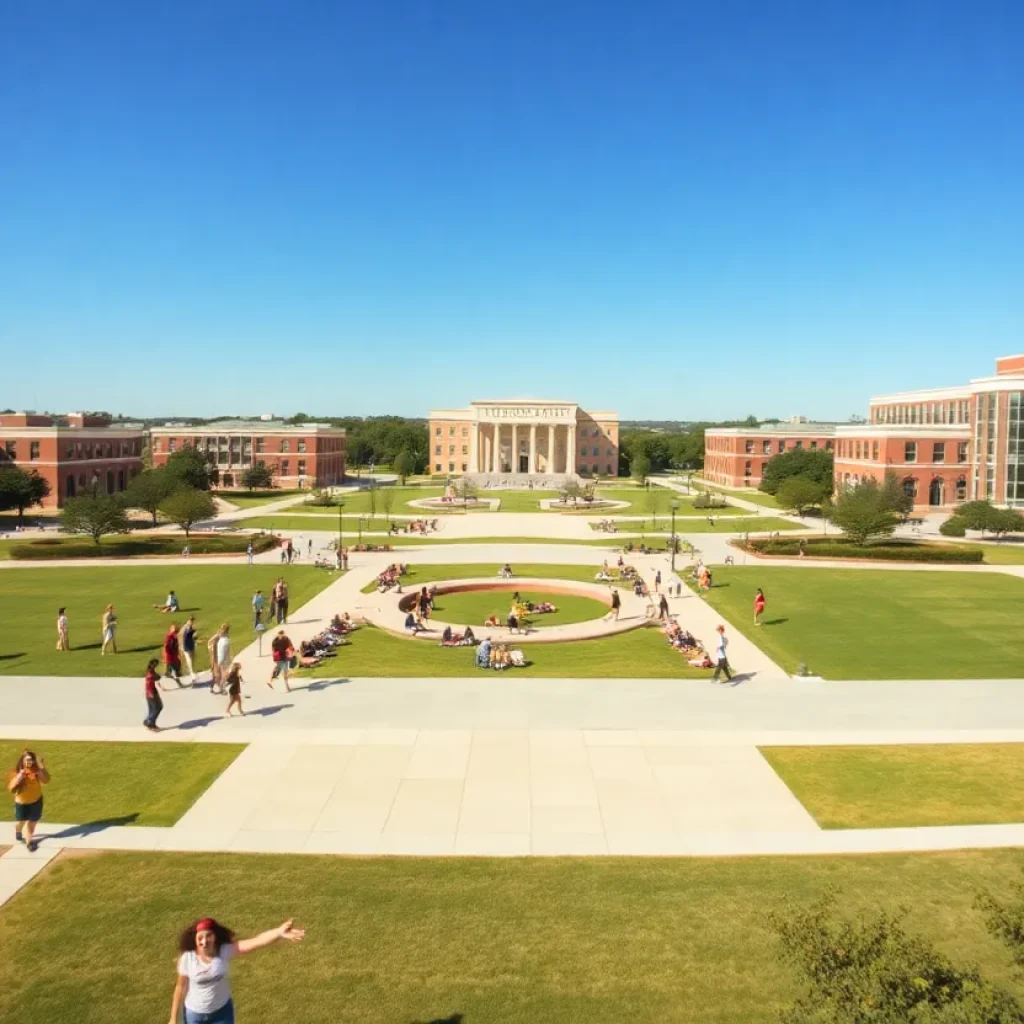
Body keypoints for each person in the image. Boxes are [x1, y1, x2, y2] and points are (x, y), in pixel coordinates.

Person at [169, 916, 305, 1024]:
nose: (204, 942)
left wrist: (279, 932)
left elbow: (257, 941)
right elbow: (180, 987)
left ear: (215, 936)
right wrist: (173, 1019)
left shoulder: (224, 951)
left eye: (208, 936)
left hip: (222, 1013)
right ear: (195, 939)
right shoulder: (188, 958)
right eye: (200, 937)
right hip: (195, 1016)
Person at [8, 749, 50, 852]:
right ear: (22, 761)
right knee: (22, 821)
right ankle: (18, 829)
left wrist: (41, 769)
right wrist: (19, 778)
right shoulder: (17, 772)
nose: (28, 762)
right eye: (26, 760)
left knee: (32, 823)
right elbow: (11, 788)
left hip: (36, 801)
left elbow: (46, 780)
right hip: (22, 803)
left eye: (30, 760)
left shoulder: (36, 771)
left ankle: (29, 842)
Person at [144, 658, 165, 731]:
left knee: (152, 709)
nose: (156, 665)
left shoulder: (150, 671)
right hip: (152, 693)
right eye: (155, 664)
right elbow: (157, 677)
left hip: (149, 693)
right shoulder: (151, 674)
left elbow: (157, 677)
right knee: (158, 707)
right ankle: (150, 723)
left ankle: (148, 722)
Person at [181, 616, 198, 685]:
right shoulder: (188, 627)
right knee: (190, 658)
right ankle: (191, 673)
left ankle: (191, 671)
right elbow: (188, 634)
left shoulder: (188, 627)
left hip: (190, 644)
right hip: (188, 645)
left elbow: (191, 635)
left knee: (191, 658)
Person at [214, 625, 231, 695]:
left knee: (224, 675)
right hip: (224, 661)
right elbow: (223, 653)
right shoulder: (225, 641)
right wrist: (220, 663)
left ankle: (220, 687)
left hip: (223, 660)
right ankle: (221, 688)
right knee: (225, 675)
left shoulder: (221, 640)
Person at [206, 626, 223, 693]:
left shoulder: (215, 640)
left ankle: (211, 687)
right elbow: (213, 653)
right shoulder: (215, 641)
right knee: (218, 675)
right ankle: (221, 688)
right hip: (215, 661)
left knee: (214, 675)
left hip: (215, 660)